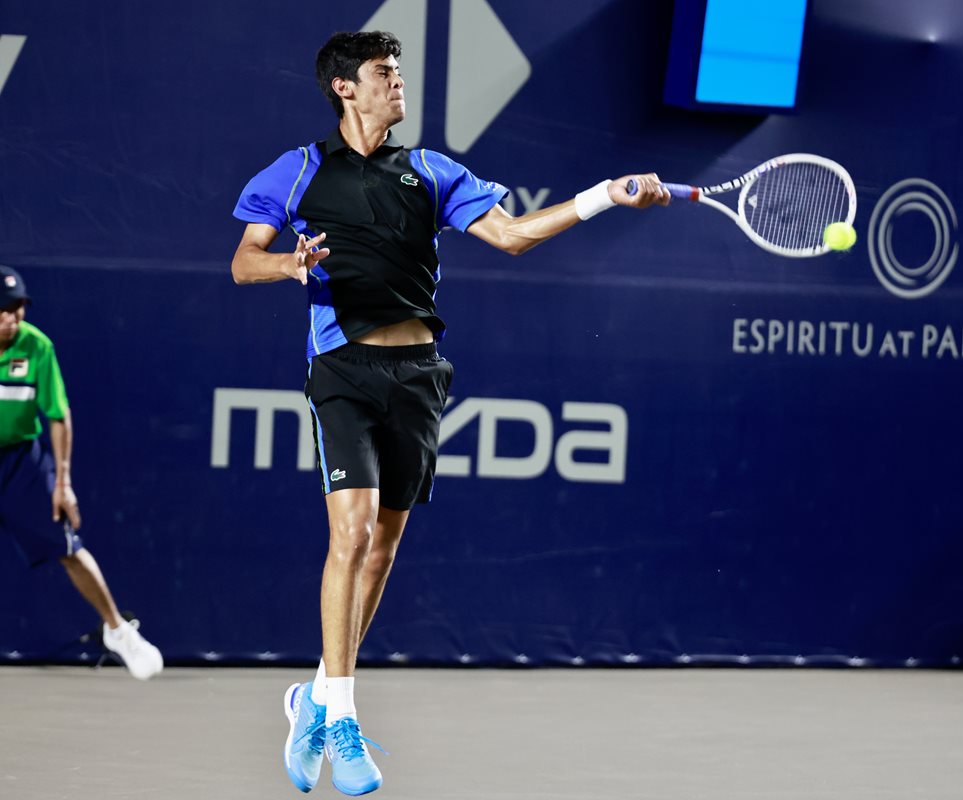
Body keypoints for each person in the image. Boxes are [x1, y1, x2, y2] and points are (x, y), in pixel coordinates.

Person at [230, 29, 667, 797]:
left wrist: (606, 194)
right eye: (383, 73)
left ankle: (315, 695)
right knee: (351, 533)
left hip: (418, 375)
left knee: (382, 547)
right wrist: (289, 264)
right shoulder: (297, 170)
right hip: (342, 367)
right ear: (344, 87)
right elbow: (243, 262)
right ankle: (343, 718)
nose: (397, 82)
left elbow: (513, 236)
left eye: (398, 72)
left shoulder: (432, 170)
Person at [0, 265, 163, 681]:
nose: (11, 318)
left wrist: (63, 483)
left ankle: (117, 631)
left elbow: (58, 416)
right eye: (3, 310)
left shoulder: (37, 346)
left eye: (17, 309)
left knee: (69, 546)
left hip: (21, 463)